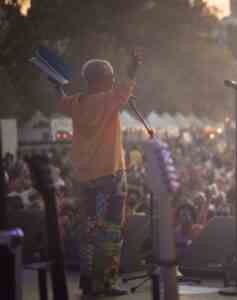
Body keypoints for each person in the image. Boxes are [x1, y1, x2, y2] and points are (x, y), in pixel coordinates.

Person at [57, 51, 141, 297]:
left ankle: (87, 281)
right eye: (111, 77)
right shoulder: (108, 99)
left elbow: (60, 98)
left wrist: (55, 84)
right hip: (109, 175)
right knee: (110, 231)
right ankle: (104, 283)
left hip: (83, 177)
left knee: (89, 229)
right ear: (101, 80)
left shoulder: (75, 102)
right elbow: (126, 86)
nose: (114, 81)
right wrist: (133, 68)